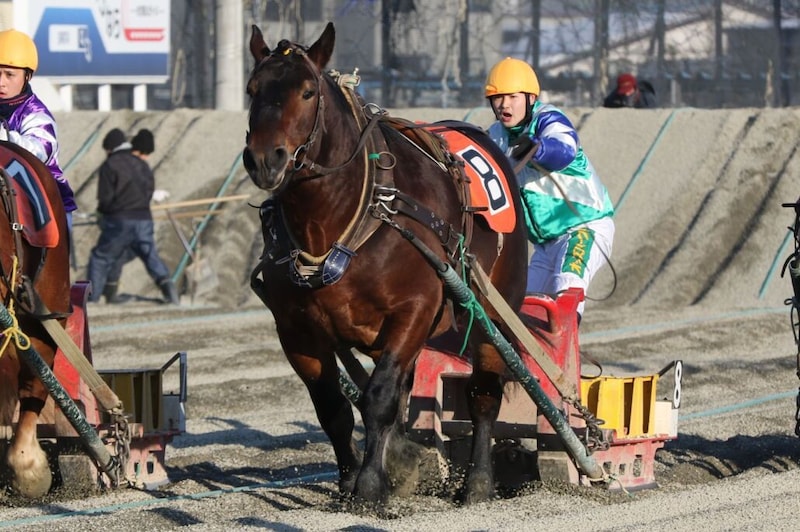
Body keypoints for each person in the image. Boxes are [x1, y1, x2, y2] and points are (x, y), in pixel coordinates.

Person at [484, 57, 615, 321]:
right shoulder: (496, 136)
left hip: (584, 229)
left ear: (531, 98)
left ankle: (565, 347)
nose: (504, 104)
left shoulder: (548, 119)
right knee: (521, 310)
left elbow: (564, 148)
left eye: (512, 96)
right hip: (545, 245)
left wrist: (538, 148)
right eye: (497, 97)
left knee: (566, 286)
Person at [86, 128, 179, 304]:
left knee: (100, 257)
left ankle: (92, 299)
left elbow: (105, 198)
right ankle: (170, 291)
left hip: (120, 220)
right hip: (144, 219)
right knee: (149, 255)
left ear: (110, 148)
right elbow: (149, 191)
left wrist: (102, 214)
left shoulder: (110, 164)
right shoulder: (142, 164)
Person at [0, 29, 76, 228]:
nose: (1, 82)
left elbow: (40, 151)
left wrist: (4, 137)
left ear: (27, 76)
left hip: (48, 204)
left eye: (9, 75)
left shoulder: (36, 113)